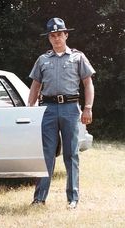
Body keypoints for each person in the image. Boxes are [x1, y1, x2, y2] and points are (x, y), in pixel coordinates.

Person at [27, 17, 95, 209]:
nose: (56, 38)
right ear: (49, 38)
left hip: (70, 108)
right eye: (53, 35)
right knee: (46, 153)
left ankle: (72, 198)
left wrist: (88, 107)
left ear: (66, 35)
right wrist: (29, 108)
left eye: (60, 34)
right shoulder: (43, 59)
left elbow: (88, 83)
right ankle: (39, 198)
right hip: (47, 109)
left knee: (71, 153)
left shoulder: (78, 57)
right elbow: (35, 85)